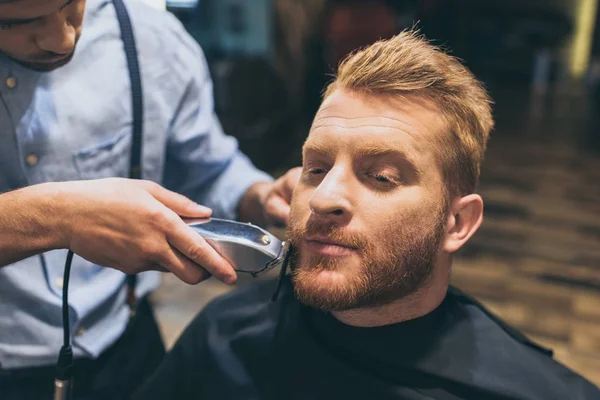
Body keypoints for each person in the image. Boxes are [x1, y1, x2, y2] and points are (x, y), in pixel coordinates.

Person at [134, 31, 600, 400]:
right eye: (316, 168)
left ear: (457, 223)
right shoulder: (221, 338)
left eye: (381, 177)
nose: (323, 197)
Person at [0, 0, 300, 398]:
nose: (63, 37)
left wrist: (259, 194)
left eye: (71, 5)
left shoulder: (151, 42)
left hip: (126, 341)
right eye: (20, 22)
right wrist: (58, 218)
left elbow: (209, 168)